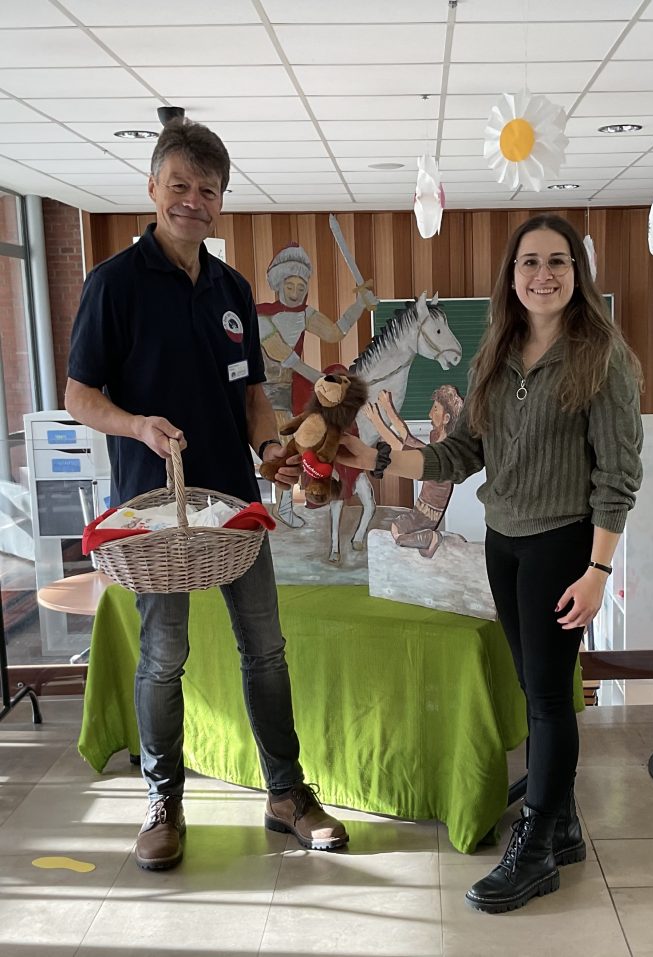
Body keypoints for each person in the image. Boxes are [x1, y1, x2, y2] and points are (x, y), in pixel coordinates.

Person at [65, 118, 349, 871]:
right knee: (164, 657)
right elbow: (78, 396)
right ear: (153, 188)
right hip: (155, 516)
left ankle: (286, 794)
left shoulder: (231, 289)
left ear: (222, 200)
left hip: (235, 510)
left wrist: (270, 450)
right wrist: (137, 425)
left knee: (267, 650)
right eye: (180, 185)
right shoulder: (113, 284)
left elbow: (252, 393)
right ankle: (164, 801)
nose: (193, 200)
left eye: (208, 189)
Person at [337, 213, 643, 912]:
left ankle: (535, 850)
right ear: (512, 275)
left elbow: (618, 477)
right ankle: (562, 823)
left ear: (577, 274)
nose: (543, 274)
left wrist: (597, 573)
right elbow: (459, 453)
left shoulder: (602, 360)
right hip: (504, 545)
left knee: (548, 697)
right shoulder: (494, 354)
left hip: (563, 545)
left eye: (558, 261)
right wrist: (378, 457)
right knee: (536, 689)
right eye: (530, 262)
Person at [257, 244, 375, 527]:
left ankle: (288, 504)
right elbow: (286, 356)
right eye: (290, 285)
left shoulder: (305, 314)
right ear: (278, 284)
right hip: (262, 391)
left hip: (290, 388)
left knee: (305, 438)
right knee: (286, 446)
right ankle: (281, 506)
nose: (295, 292)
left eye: (301, 286)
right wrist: (323, 381)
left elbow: (335, 333)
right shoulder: (260, 316)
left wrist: (360, 304)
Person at [362, 385, 464, 557]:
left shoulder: (441, 453)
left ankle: (431, 538)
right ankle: (428, 544)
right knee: (399, 528)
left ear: (446, 418)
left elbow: (399, 446)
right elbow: (407, 437)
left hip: (427, 513)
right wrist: (388, 407)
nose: (430, 414)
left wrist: (375, 419)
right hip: (422, 508)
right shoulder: (437, 439)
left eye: (435, 409)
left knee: (398, 534)